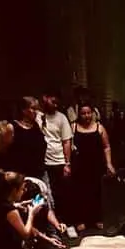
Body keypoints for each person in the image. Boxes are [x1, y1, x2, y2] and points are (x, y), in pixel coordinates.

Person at [70, 102, 115, 232]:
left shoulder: (99, 128)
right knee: (79, 193)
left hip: (95, 165)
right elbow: (68, 143)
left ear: (93, 113)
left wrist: (109, 163)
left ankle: (97, 218)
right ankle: (80, 219)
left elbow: (106, 147)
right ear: (79, 114)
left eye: (88, 113)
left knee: (96, 192)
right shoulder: (73, 127)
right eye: (83, 113)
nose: (86, 116)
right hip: (79, 165)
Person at [39, 92, 75, 238]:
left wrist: (67, 163)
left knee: (63, 195)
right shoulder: (38, 117)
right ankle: (51, 227)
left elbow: (67, 141)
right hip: (43, 162)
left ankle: (68, 224)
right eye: (51, 102)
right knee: (47, 195)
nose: (54, 105)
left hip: (59, 161)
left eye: (56, 103)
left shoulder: (61, 118)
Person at [8, 97, 47, 181]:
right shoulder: (12, 127)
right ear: (24, 110)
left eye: (37, 108)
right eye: (33, 108)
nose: (36, 112)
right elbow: (2, 150)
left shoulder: (37, 126)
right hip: (20, 176)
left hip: (38, 174)